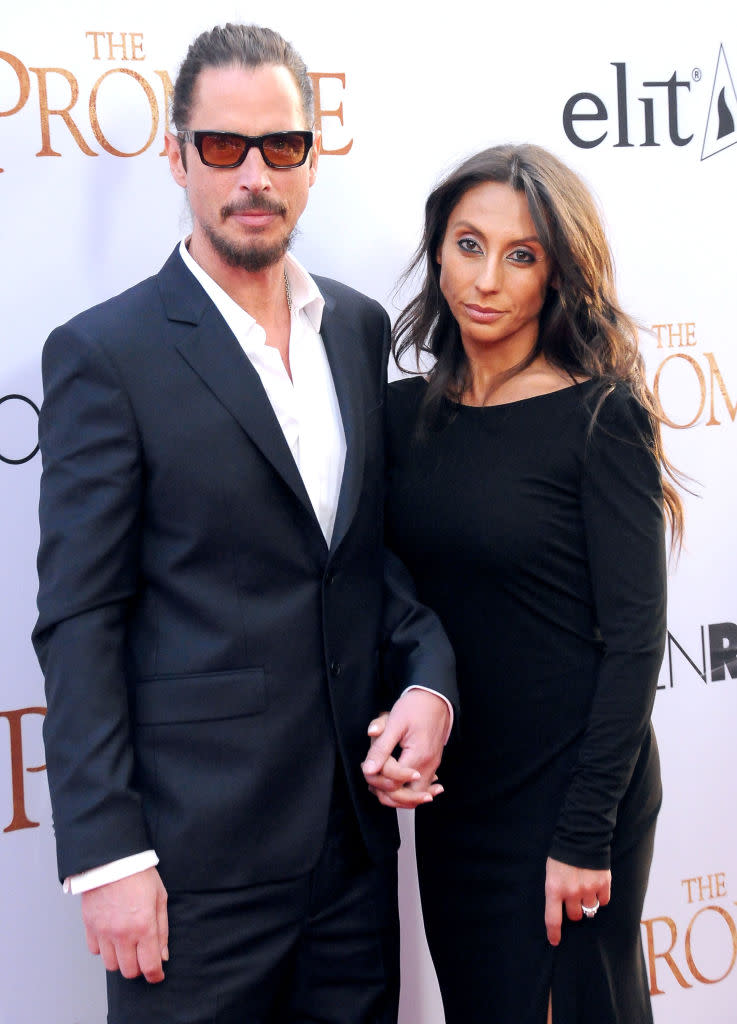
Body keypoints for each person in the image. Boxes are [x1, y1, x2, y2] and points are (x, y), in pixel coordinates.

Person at [32, 23, 457, 1024]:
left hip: (352, 857)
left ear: (312, 157)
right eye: (223, 147)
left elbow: (363, 560)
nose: (253, 174)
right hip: (191, 868)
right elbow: (80, 618)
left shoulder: (355, 327)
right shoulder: (106, 353)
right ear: (177, 157)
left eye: (281, 146)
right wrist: (107, 854)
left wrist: (429, 678)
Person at [382, 144, 683, 1023]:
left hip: (574, 794)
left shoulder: (599, 418)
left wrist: (584, 829)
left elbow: (634, 643)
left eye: (521, 255)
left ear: (554, 276)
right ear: (438, 249)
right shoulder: (401, 418)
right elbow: (389, 591)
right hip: (462, 794)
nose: (486, 277)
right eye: (468, 244)